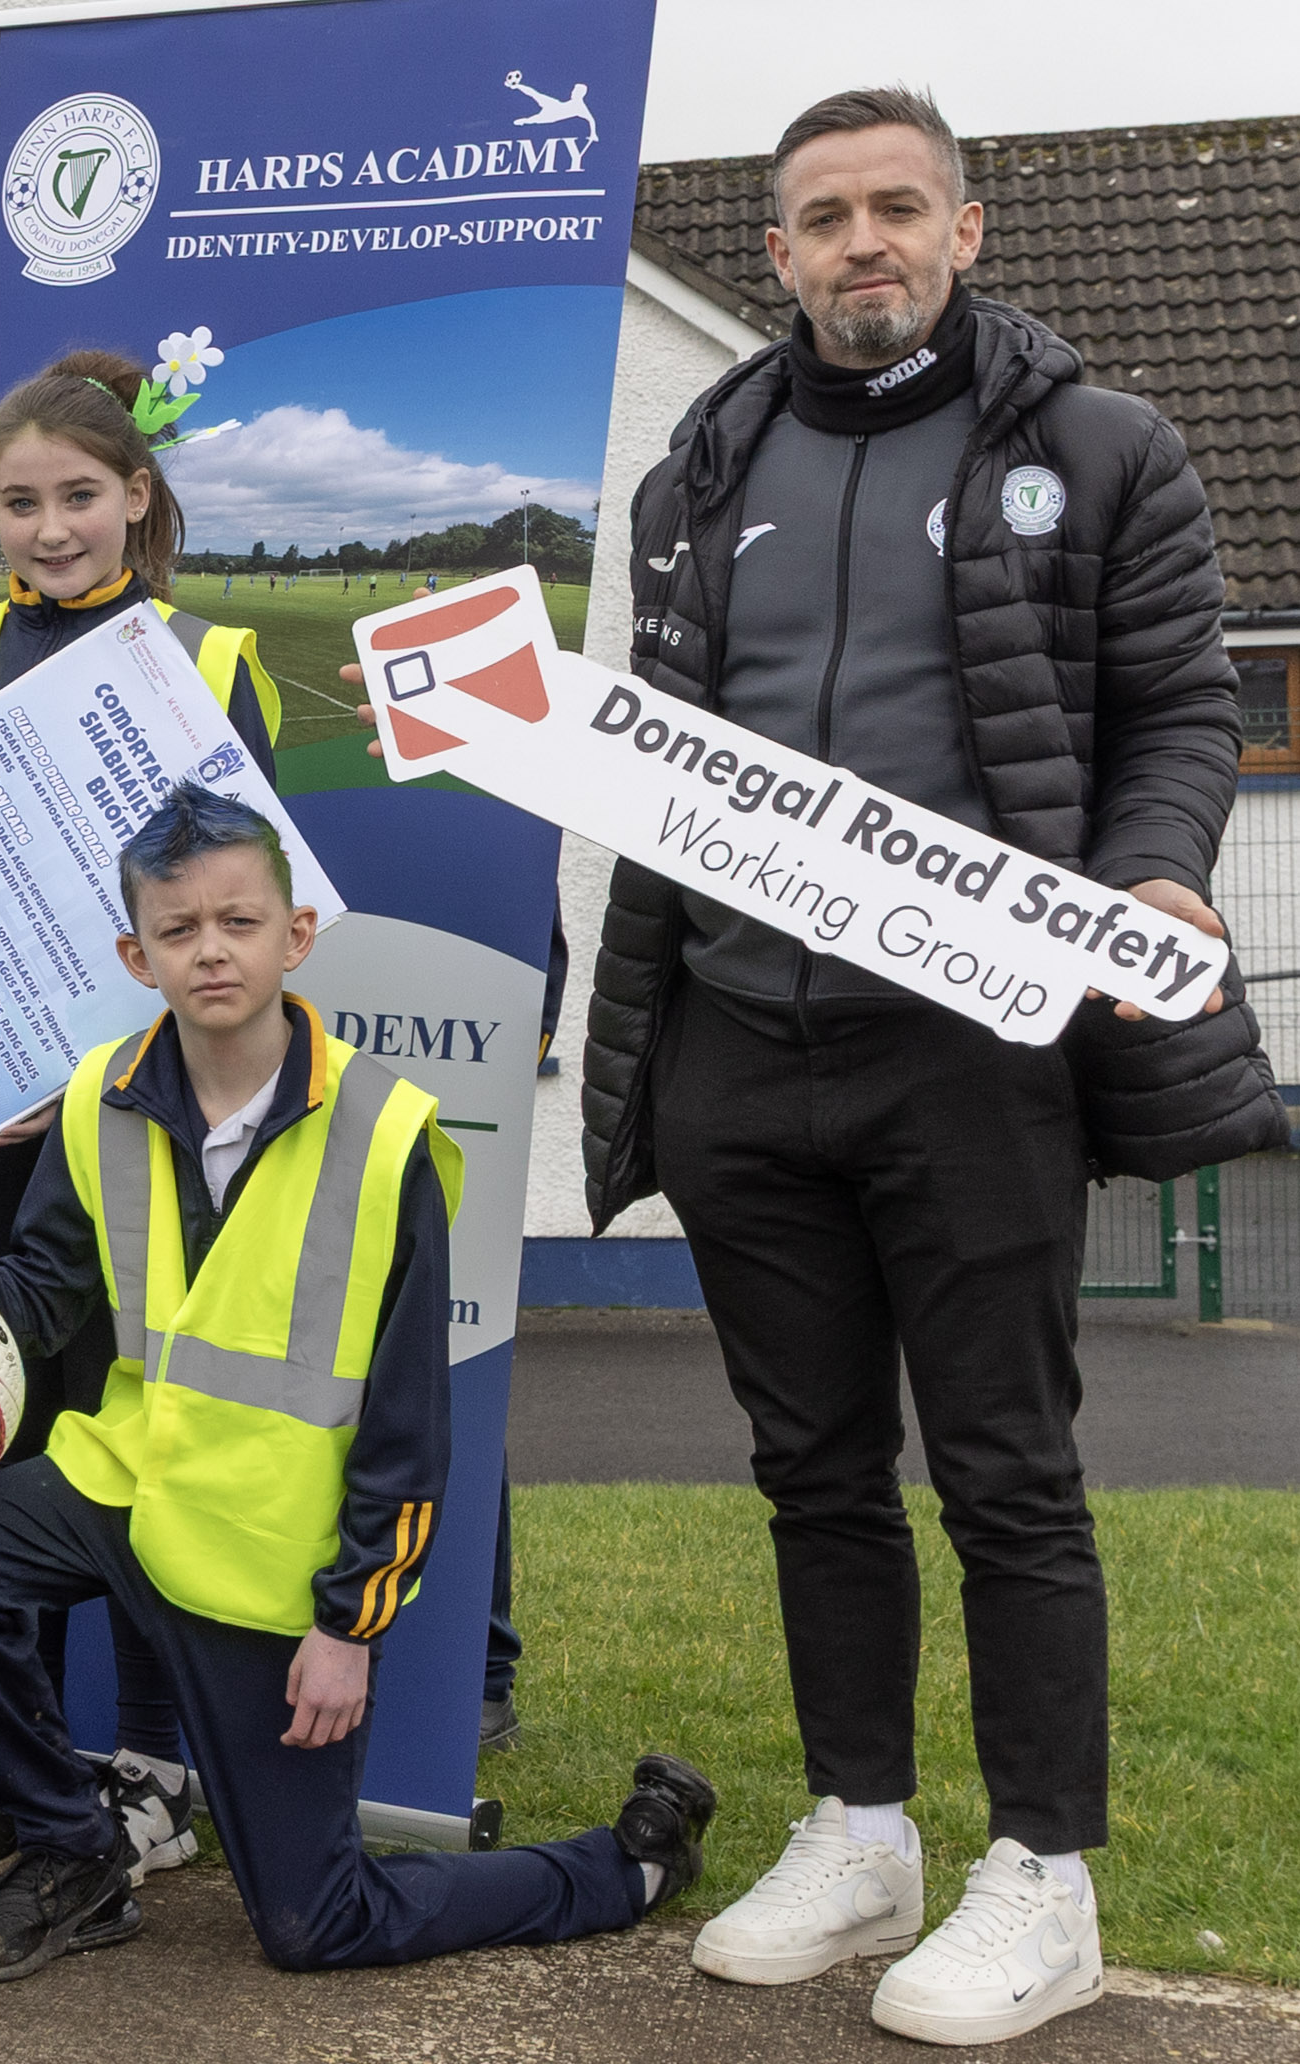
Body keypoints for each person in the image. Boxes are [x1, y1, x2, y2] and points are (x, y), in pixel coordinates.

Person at [583, 89, 1278, 2046]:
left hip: (973, 1051)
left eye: (897, 207)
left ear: (962, 233)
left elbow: (1175, 707)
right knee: (809, 1469)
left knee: (1004, 1475)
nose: (859, 241)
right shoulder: (697, 467)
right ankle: (859, 1830)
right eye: (821, 217)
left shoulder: (1101, 447)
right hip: (735, 1044)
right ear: (780, 250)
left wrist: (1155, 869)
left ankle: (1042, 1875)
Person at [0, 784, 716, 1983]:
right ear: (138, 955)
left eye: (238, 922)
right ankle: (72, 1850)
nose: (210, 950)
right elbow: (42, 1292)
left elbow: (409, 1425)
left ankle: (629, 1863)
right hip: (127, 1490)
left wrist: (349, 1626)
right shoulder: (101, 1096)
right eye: (178, 931)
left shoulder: (384, 1133)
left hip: (269, 1560)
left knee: (314, 1925)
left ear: (295, 937)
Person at [0, 351, 278, 1885]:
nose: (51, 529)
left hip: (149, 1109)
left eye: (79, 497)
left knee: (144, 1428)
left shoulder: (216, 653)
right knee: (8, 1425)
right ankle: (27, 1761)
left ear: (136, 497)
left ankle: (157, 1765)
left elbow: (225, 907)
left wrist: (99, 1074)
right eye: (19, 503)